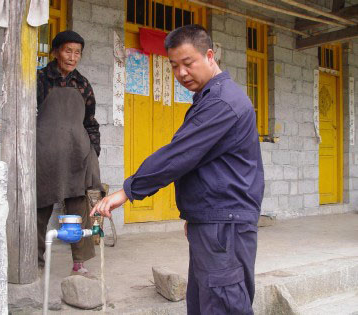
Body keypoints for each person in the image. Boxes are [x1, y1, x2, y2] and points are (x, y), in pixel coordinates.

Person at [91, 25, 264, 314]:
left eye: (188, 63)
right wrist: (198, 216)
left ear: (210, 56)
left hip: (225, 225)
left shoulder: (223, 102)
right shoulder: (211, 98)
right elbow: (204, 164)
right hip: (213, 221)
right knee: (203, 303)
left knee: (224, 305)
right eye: (173, 66)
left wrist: (128, 190)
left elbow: (179, 155)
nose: (181, 73)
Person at [36, 30, 103, 275]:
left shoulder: (83, 84)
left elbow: (90, 122)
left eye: (77, 53)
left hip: (77, 154)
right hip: (44, 154)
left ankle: (79, 262)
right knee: (39, 210)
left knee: (78, 209)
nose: (72, 57)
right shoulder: (40, 80)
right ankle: (35, 263)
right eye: (68, 51)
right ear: (55, 52)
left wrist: (92, 151)